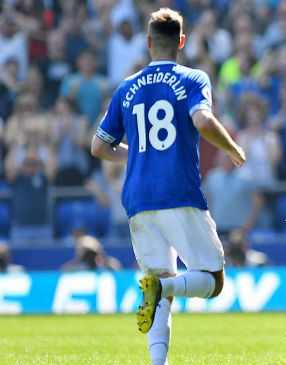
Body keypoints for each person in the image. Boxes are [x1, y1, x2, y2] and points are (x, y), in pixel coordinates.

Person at [90, 8, 246, 365]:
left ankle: (158, 360)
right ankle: (164, 286)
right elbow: (203, 120)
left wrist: (140, 155)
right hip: (178, 191)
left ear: (148, 43)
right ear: (181, 42)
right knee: (212, 281)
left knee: (158, 279)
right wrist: (233, 148)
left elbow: (99, 146)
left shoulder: (126, 87)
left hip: (137, 197)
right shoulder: (193, 77)